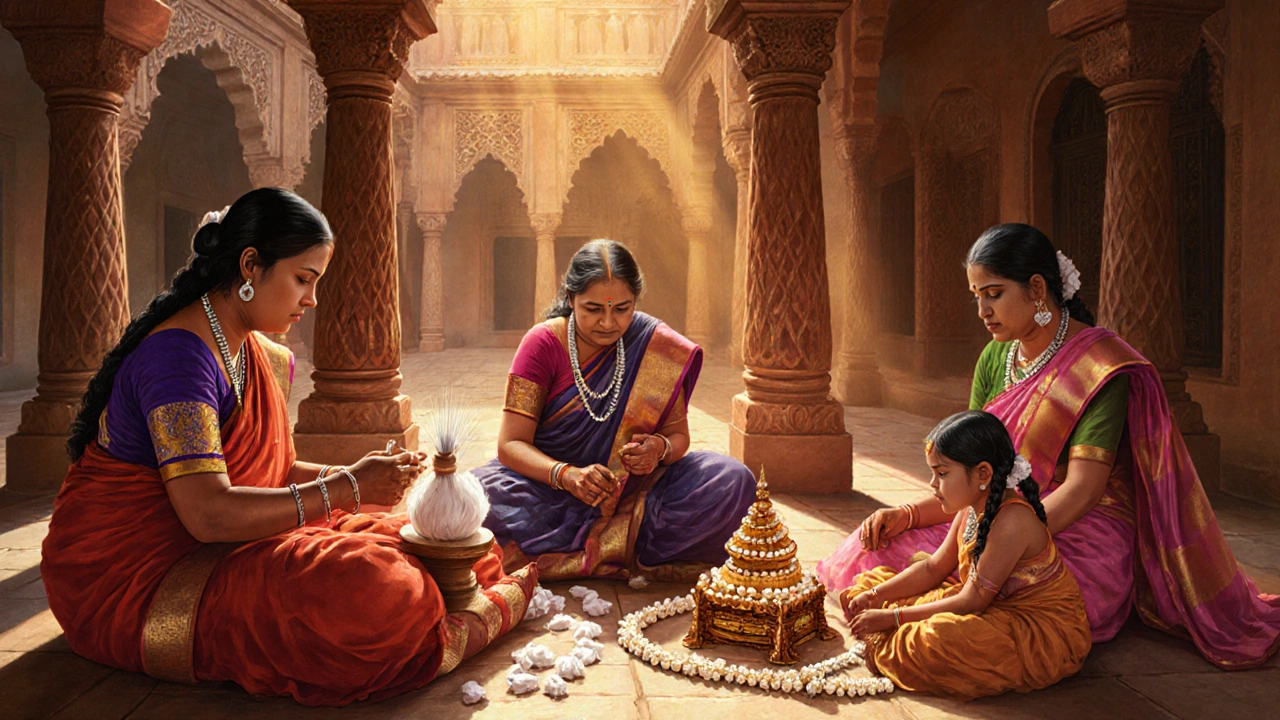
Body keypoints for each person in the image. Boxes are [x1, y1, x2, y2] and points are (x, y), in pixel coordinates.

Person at [41, 188, 535, 706]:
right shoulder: (177, 360)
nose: (311, 300)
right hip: (138, 575)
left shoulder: (256, 351)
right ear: (251, 265)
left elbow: (270, 469)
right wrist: (348, 487)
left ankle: (437, 611)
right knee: (382, 592)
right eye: (304, 279)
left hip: (224, 538)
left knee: (442, 546)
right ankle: (438, 620)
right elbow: (208, 515)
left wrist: (366, 476)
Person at [820, 223, 1280, 669]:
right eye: (976, 296)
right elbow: (972, 471)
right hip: (996, 510)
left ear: (1037, 289)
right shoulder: (995, 356)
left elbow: (1083, 490)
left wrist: (1002, 537)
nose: (982, 310)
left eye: (993, 293)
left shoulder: (1099, 365)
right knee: (872, 547)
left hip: (1076, 525)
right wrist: (910, 515)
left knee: (1007, 607)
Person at [473, 239, 756, 581]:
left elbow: (678, 437)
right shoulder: (543, 344)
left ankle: (605, 542)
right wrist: (568, 476)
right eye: (593, 309)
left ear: (635, 301)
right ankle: (625, 545)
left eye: (622, 308)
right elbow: (510, 445)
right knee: (475, 495)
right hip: (550, 490)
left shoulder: (654, 345)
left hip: (637, 493)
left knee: (733, 480)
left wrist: (658, 449)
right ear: (570, 299)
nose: (608, 322)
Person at [845, 411, 1091, 700]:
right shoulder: (970, 508)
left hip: (1037, 631)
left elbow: (973, 600)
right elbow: (933, 569)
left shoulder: (1012, 520)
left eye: (942, 473)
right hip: (987, 605)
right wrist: (875, 595)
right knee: (878, 584)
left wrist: (892, 618)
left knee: (940, 638)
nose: (933, 485)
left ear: (983, 474)